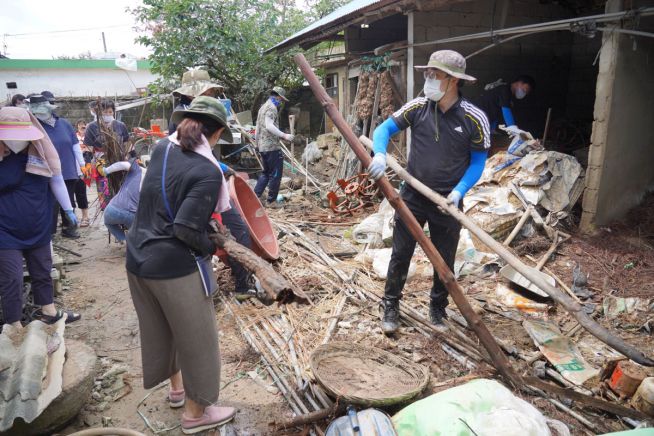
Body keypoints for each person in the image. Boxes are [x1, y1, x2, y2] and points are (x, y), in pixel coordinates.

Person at [126, 96, 236, 434]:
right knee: (199, 340)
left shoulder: (162, 148)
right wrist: (214, 249)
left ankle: (176, 391)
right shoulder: (207, 171)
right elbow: (186, 229)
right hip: (173, 267)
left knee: (163, 328)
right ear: (215, 134)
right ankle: (195, 413)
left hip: (137, 258)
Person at [367, 50, 490, 334]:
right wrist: (380, 154)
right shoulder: (418, 107)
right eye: (428, 73)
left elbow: (478, 162)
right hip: (412, 195)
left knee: (443, 259)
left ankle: (437, 308)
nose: (429, 79)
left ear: (454, 80)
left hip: (447, 200)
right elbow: (384, 129)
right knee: (400, 253)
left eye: (436, 75)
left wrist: (460, 191)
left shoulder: (474, 118)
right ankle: (390, 305)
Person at [0, 106, 81, 327]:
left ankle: (49, 311)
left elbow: (56, 179)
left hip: (38, 223)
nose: (16, 142)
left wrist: (68, 209)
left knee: (43, 270)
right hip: (5, 230)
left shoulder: (41, 151)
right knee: (12, 278)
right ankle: (14, 325)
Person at [29, 93, 84, 239]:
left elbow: (75, 145)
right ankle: (50, 232)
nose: (40, 114)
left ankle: (69, 228)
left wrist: (82, 165)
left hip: (67, 167)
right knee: (51, 203)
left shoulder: (64, 123)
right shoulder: (34, 126)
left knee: (69, 200)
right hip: (46, 171)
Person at [253, 87, 294, 207]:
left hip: (262, 146)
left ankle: (255, 197)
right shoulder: (271, 108)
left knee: (266, 173)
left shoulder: (263, 107)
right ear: (278, 97)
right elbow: (269, 126)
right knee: (276, 174)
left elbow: (257, 127)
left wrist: (257, 144)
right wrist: (285, 135)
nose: (281, 102)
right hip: (271, 147)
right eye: (281, 100)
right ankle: (271, 201)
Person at [103, 150, 146, 242]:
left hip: (112, 210)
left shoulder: (137, 169)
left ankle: (124, 239)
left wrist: (107, 170)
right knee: (138, 234)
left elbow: (123, 165)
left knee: (108, 222)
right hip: (132, 215)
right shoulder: (153, 180)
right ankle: (136, 244)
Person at [471, 75, 535, 132]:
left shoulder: (509, 96)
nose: (524, 93)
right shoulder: (504, 90)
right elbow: (506, 111)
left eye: (526, 93)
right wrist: (512, 127)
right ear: (519, 83)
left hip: (482, 120)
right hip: (474, 117)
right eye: (524, 90)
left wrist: (491, 131)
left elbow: (496, 115)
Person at [168, 69, 224, 135]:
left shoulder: (194, 110)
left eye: (210, 94)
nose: (209, 98)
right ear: (189, 94)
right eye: (203, 94)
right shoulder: (186, 113)